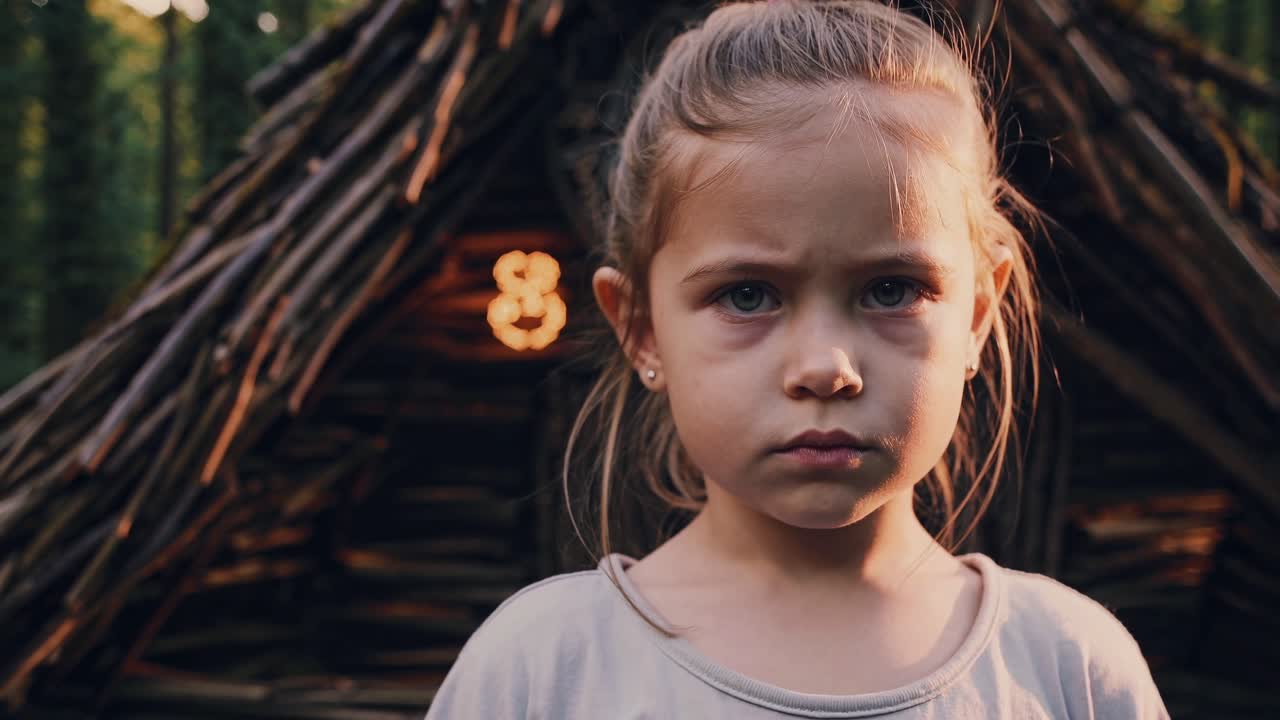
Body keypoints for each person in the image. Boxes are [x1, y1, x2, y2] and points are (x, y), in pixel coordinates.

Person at [425, 1, 1170, 717]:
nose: (825, 367)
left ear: (977, 316)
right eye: (748, 296)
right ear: (642, 330)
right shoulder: (543, 670)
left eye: (891, 289)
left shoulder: (1068, 668)